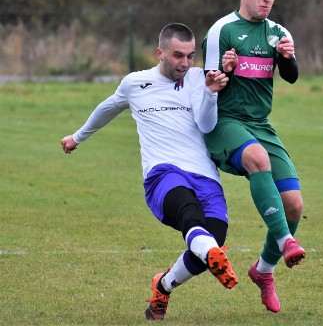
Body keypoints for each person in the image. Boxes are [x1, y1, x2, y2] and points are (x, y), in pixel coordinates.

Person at [60, 23, 238, 321]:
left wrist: (209, 92)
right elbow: (108, 107)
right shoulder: (135, 83)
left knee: (213, 238)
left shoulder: (199, 78)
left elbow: (207, 125)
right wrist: (78, 136)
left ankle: (164, 285)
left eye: (190, 56)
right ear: (160, 53)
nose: (184, 63)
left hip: (204, 175)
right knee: (190, 216)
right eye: (178, 55)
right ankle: (212, 254)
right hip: (163, 174)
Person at [202, 0, 305, 313]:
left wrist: (287, 59)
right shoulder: (222, 30)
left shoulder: (278, 32)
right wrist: (225, 71)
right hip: (224, 121)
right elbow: (208, 85)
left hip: (260, 123)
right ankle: (287, 241)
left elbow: (290, 77)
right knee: (257, 158)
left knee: (293, 204)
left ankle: (264, 271)